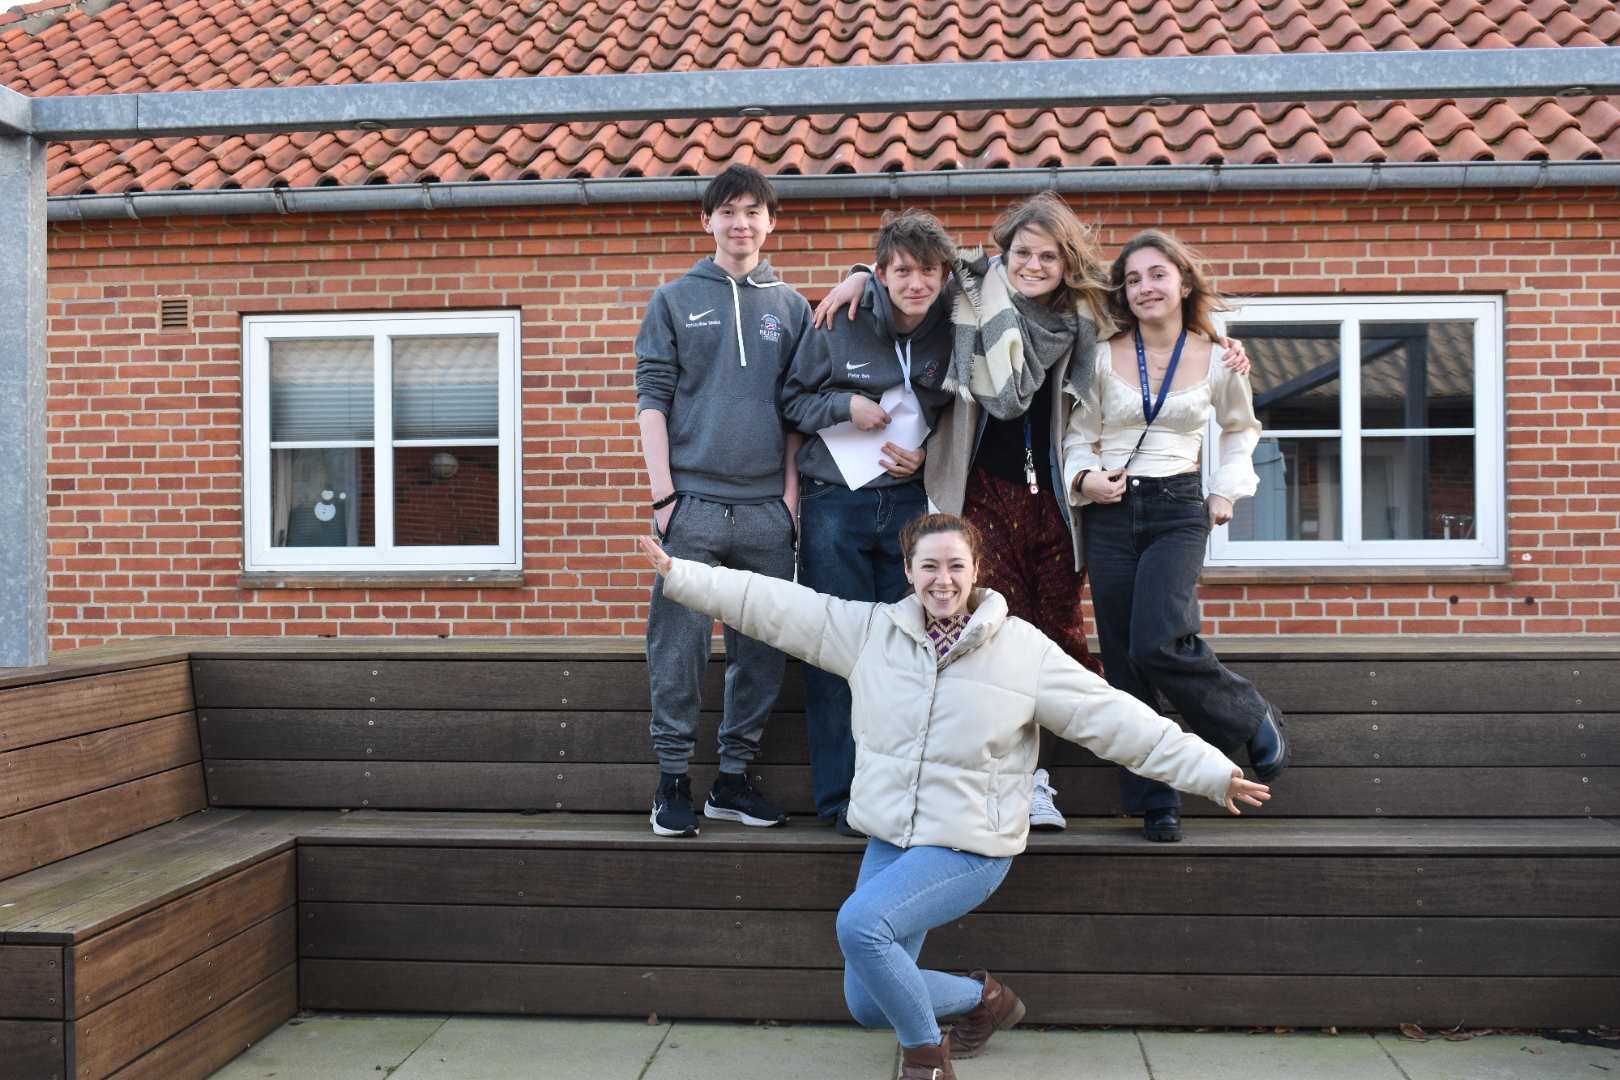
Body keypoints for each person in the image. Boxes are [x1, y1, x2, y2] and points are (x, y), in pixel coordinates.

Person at [636, 514, 1269, 1079]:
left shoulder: (1022, 651)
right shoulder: (871, 633)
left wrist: (1213, 773)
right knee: (866, 1003)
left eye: (956, 566)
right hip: (893, 837)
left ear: (976, 571)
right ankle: (983, 999)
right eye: (930, 566)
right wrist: (682, 574)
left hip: (969, 845)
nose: (943, 580)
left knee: (860, 924)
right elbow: (774, 605)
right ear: (908, 571)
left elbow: (1117, 720)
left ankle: (926, 1063)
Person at [814, 195, 1250, 831]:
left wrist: (1220, 345)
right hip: (983, 494)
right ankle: (1021, 781)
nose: (1034, 265)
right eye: (1023, 252)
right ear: (1005, 253)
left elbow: (1160, 316)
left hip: (1061, 501)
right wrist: (860, 274)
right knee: (999, 638)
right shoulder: (970, 296)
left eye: (1049, 255)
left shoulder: (1088, 312)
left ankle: (1064, 776)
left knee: (1059, 638)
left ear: (1066, 261)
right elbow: (913, 276)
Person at [1062, 229, 1289, 843]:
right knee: (1124, 661)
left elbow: (1241, 429)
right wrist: (1084, 478)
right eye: (1133, 279)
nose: (1145, 287)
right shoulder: (1100, 354)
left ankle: (1249, 715)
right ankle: (1155, 800)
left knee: (1158, 637)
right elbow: (1079, 435)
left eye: (1157, 274)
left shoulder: (1219, 357)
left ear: (1183, 283)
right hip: (1110, 509)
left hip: (1179, 506)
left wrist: (1227, 489)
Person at [633, 163, 810, 837]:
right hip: (694, 506)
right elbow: (652, 399)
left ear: (771, 222)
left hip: (767, 513)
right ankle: (672, 780)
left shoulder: (792, 308)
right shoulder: (673, 300)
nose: (741, 223)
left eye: (753, 211)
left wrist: (790, 499)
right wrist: (665, 497)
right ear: (707, 220)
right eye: (728, 211)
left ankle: (732, 780)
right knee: (677, 646)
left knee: (760, 652)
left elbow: (796, 411)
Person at [780, 210, 958, 837]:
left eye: (928, 271)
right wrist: (844, 405)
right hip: (835, 503)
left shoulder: (955, 325)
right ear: (880, 275)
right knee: (838, 650)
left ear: (944, 275)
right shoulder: (838, 319)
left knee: (906, 651)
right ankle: (842, 800)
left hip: (911, 505)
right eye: (901, 271)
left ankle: (899, 796)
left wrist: (928, 456)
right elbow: (791, 400)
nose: (916, 283)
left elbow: (956, 414)